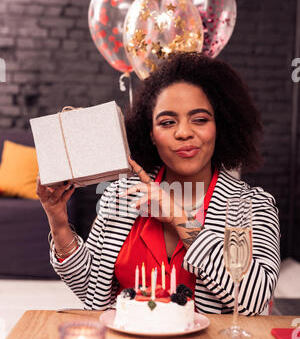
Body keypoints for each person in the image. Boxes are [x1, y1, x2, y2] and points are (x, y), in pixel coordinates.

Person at [37, 52, 280, 315]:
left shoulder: (252, 206)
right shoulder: (120, 196)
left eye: (200, 119)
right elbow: (92, 290)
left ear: (219, 126)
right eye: (167, 122)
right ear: (151, 133)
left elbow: (254, 303)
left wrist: (179, 217)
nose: (184, 132)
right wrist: (59, 222)